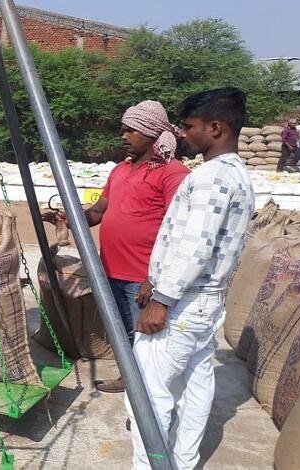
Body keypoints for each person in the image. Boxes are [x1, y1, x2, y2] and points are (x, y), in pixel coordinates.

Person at [126, 87, 254, 470]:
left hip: (184, 303)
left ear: (215, 128)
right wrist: (154, 278)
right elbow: (187, 240)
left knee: (149, 395)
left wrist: (162, 299)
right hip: (203, 301)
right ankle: (182, 461)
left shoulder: (213, 178)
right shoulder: (234, 173)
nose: (182, 133)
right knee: (197, 384)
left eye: (189, 126)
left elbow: (196, 247)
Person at [43, 101, 190, 393]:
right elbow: (99, 211)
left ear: (151, 133)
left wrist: (155, 278)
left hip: (143, 275)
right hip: (111, 268)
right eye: (123, 130)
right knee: (124, 332)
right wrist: (68, 218)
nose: (124, 136)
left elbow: (180, 228)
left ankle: (151, 400)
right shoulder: (121, 170)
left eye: (131, 130)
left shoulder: (172, 173)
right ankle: (131, 382)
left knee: (150, 339)